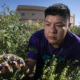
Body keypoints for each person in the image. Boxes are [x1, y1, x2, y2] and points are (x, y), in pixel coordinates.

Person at [0, 3, 80, 80]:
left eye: (59, 25)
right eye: (48, 24)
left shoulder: (76, 44)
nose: (52, 30)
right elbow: (30, 69)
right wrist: (22, 65)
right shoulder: (36, 38)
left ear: (68, 27)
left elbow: (70, 73)